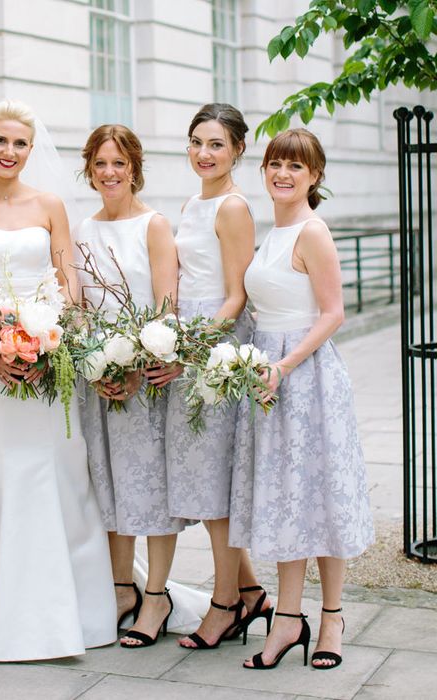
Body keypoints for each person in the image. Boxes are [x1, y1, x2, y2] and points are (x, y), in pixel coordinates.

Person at [0, 99, 116, 662]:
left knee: (62, 476)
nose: (9, 152)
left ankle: (80, 617)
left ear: (30, 151)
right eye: (0, 142)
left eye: (20, 144)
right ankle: (12, 621)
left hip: (49, 365)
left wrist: (51, 341)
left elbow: (70, 285)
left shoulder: (50, 205)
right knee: (5, 481)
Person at [229, 128, 375, 670]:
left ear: (314, 177)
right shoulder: (272, 232)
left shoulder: (312, 231)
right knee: (288, 498)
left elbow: (333, 313)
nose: (283, 174)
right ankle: (288, 618)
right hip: (268, 377)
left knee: (322, 496)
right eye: (275, 164)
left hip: (307, 378)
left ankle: (332, 616)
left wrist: (285, 364)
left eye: (295, 166)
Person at [156, 104, 273, 650]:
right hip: (187, 349)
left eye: (217, 145)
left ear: (238, 151)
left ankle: (225, 606)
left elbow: (236, 296)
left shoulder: (232, 208)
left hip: (217, 354)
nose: (204, 153)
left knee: (216, 490)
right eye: (197, 142)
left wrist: (193, 349)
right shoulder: (192, 203)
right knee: (204, 485)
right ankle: (250, 592)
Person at [75, 124, 185, 648]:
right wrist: (96, 366)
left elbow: (167, 307)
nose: (110, 173)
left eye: (119, 163)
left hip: (147, 375)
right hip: (98, 378)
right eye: (101, 164)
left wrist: (140, 365)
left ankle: (157, 595)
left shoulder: (154, 226)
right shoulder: (82, 230)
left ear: (134, 168)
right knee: (110, 486)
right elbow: (78, 310)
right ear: (89, 169)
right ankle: (123, 589)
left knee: (152, 488)